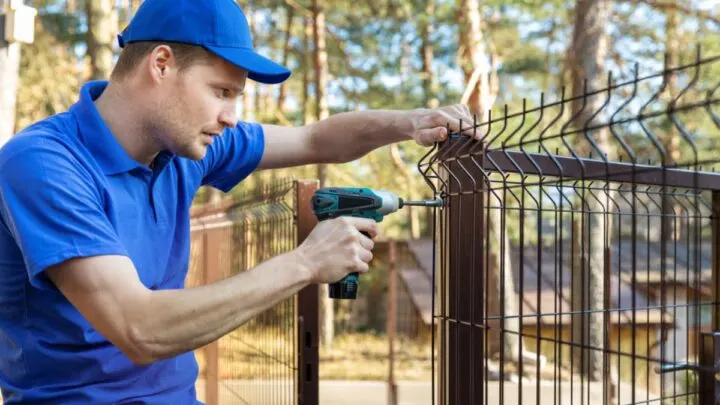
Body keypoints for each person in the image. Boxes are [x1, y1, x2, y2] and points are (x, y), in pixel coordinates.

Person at [0, 0, 474, 403]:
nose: (230, 117)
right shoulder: (44, 164)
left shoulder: (185, 147)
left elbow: (315, 140)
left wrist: (412, 122)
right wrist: (308, 262)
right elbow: (139, 328)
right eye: (221, 92)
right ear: (160, 65)